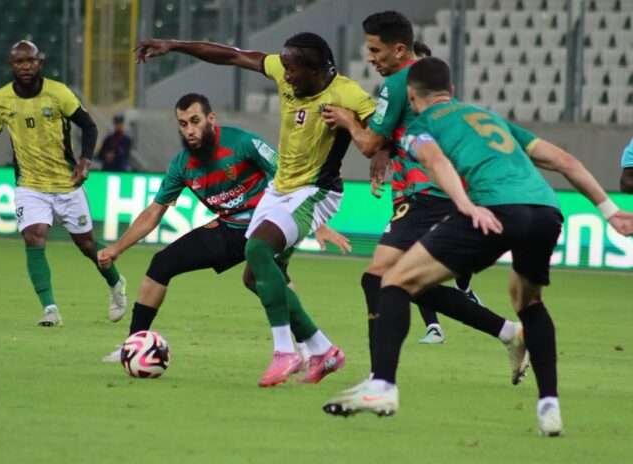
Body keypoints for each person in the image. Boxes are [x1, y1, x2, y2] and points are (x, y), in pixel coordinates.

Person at [323, 57, 633, 436]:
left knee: (393, 280)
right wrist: (610, 210)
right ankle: (549, 407)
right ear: (451, 90)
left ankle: (382, 386)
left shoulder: (419, 126)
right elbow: (564, 161)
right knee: (528, 301)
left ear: (412, 97)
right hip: (546, 212)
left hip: (495, 209)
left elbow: (436, 161)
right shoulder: (491, 119)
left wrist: (466, 206)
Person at [135, 32, 376, 386]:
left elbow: (378, 139)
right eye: (284, 67)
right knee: (255, 277)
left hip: (316, 190)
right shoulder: (285, 72)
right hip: (280, 190)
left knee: (258, 248)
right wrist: (175, 45)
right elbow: (231, 55)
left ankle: (285, 352)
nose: (285, 75)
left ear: (315, 70)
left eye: (292, 69)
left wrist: (354, 128)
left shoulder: (348, 94)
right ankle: (323, 350)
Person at [97, 93, 350, 374]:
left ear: (211, 119)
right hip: (230, 227)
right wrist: (117, 248)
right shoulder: (181, 165)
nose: (190, 130)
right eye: (183, 124)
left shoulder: (242, 143)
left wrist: (314, 221)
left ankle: (306, 347)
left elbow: (288, 176)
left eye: (195, 121)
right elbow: (154, 212)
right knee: (162, 264)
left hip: (269, 223)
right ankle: (134, 343)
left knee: (264, 278)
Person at [323, 11, 516, 363]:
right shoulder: (425, 79)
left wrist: (348, 120)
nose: (370, 58)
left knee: (377, 278)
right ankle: (508, 332)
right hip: (441, 192)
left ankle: (379, 375)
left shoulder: (397, 83)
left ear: (399, 50)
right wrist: (386, 149)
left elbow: (368, 143)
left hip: (427, 194)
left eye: (375, 50)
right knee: (407, 281)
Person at [0, 40, 127, 327]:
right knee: (34, 236)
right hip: (30, 184)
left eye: (30, 61)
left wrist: (85, 160)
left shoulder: (58, 93)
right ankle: (50, 308)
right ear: (11, 65)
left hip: (66, 182)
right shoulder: (1, 99)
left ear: (40, 63)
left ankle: (116, 283)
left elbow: (89, 125)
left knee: (86, 245)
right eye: (19, 62)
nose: (25, 66)